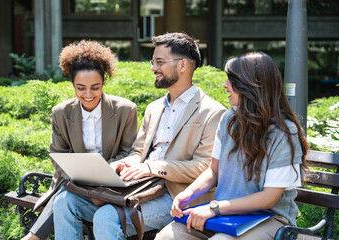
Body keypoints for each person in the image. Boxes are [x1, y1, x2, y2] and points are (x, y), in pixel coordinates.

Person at [53, 32, 226, 239]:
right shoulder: (154, 108)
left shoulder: (213, 112)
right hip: (137, 187)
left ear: (183, 65)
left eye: (159, 62)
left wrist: (152, 168)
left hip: (175, 195)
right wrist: (123, 164)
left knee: (106, 217)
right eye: (153, 61)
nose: (153, 68)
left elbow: (205, 167)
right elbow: (138, 151)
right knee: (65, 202)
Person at [155, 51, 310, 240]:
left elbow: (269, 197)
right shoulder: (229, 119)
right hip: (227, 216)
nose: (224, 85)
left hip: (271, 220)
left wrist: (214, 208)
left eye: (231, 80)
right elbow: (214, 172)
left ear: (251, 85)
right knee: (168, 237)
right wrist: (187, 194)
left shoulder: (284, 133)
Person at [22, 40, 138, 240]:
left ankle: (33, 237)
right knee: (63, 201)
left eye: (95, 87)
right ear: (72, 85)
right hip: (75, 183)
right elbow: (58, 154)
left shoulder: (125, 110)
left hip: (112, 187)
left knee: (65, 201)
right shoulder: (61, 112)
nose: (88, 94)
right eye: (80, 88)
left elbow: (129, 152)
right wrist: (82, 181)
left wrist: (105, 175)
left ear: (104, 82)